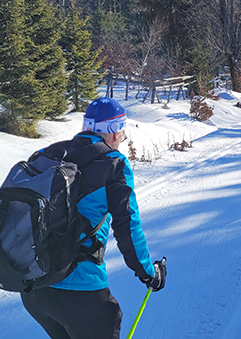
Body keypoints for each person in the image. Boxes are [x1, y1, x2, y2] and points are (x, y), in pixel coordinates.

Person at [20, 97, 166, 339]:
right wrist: (149, 273)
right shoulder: (114, 164)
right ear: (115, 132)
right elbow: (128, 226)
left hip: (35, 291)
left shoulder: (47, 154)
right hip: (81, 292)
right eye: (122, 131)